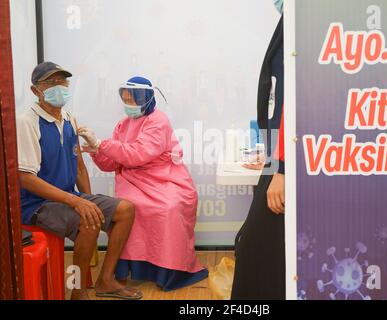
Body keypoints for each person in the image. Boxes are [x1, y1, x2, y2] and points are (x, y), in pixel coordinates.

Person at [17, 61, 143, 300]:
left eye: (62, 82)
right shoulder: (28, 122)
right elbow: (26, 179)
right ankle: (78, 290)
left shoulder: (68, 118)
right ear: (36, 90)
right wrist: (78, 204)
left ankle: (105, 280)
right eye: (51, 83)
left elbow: (79, 167)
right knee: (89, 221)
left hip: (68, 197)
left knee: (125, 209)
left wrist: (86, 199)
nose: (59, 87)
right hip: (36, 204)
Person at [78, 76, 208, 291]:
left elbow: (138, 154)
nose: (129, 105)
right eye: (126, 100)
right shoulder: (123, 124)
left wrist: (102, 143)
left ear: (146, 98)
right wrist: (96, 151)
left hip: (166, 178)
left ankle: (170, 271)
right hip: (132, 180)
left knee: (168, 209)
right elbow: (112, 162)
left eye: (133, 100)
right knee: (129, 208)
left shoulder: (159, 121)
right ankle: (127, 269)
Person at [231, 1, 286, 300]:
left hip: (288, 162)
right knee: (262, 246)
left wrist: (282, 169)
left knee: (254, 245)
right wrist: (271, 158)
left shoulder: (304, 30)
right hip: (278, 156)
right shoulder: (289, 27)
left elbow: (299, 100)